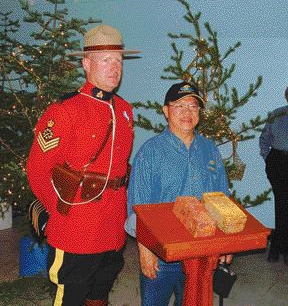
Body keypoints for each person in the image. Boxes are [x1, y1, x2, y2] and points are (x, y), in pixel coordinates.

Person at [26, 25, 140, 306]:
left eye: (118, 61)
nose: (114, 68)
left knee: (99, 294)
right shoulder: (64, 111)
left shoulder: (125, 110)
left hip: (112, 227)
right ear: (86, 63)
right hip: (76, 228)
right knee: (72, 296)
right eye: (105, 59)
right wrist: (60, 210)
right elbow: (37, 169)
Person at [125, 81, 232, 306]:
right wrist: (145, 251)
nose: (187, 112)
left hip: (201, 250)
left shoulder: (210, 149)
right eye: (179, 106)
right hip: (162, 252)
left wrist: (226, 244)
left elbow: (223, 200)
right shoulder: (150, 153)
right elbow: (138, 208)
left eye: (193, 106)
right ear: (166, 111)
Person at [259, 86, 288, 265]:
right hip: (278, 161)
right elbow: (264, 138)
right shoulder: (277, 114)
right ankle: (280, 248)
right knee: (282, 202)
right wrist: (267, 157)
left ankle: (278, 247)